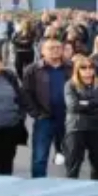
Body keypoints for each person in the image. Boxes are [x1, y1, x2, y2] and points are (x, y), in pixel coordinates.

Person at [24, 38, 73, 179]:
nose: (55, 50)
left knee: (71, 155)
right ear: (42, 51)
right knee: (40, 156)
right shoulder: (33, 70)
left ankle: (70, 184)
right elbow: (26, 94)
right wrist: (36, 113)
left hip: (68, 117)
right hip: (45, 118)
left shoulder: (72, 67)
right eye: (51, 48)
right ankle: (39, 185)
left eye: (58, 47)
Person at [63, 54, 98, 180]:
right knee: (73, 164)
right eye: (83, 68)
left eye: (91, 67)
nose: (88, 71)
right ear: (77, 70)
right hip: (77, 128)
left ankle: (97, 190)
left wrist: (86, 103)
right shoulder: (70, 85)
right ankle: (71, 192)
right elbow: (73, 106)